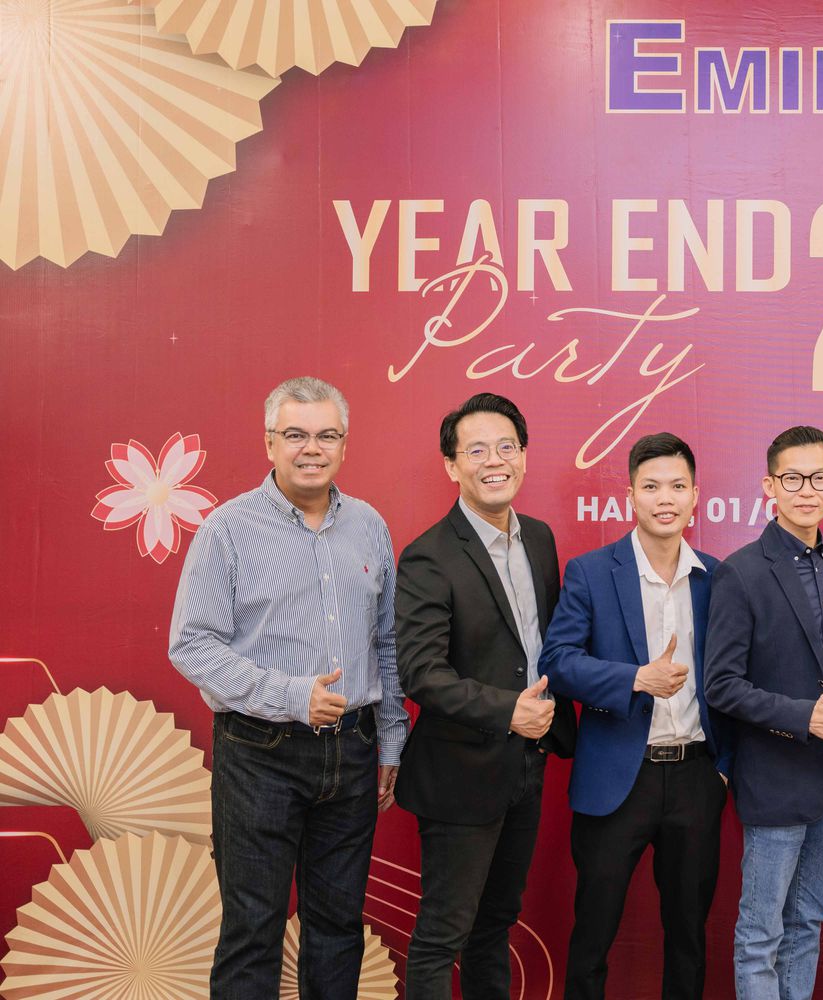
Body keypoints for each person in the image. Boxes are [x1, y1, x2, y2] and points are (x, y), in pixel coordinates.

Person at [168, 375, 407, 999]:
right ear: (269, 442)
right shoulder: (227, 529)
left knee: (338, 929)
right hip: (259, 752)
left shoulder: (369, 526)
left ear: (345, 444)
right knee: (252, 931)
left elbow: (386, 643)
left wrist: (390, 740)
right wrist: (291, 695)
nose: (312, 449)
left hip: (353, 751)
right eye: (295, 434)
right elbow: (192, 644)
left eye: (327, 435)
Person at [393, 392, 577, 1000]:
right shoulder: (429, 555)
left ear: (524, 455)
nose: (494, 461)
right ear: (452, 465)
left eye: (506, 447)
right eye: (476, 451)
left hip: (527, 765)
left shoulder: (540, 540)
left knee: (496, 925)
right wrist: (508, 711)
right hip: (460, 774)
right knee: (443, 934)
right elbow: (421, 672)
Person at [541, 432, 731, 1000]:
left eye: (677, 486)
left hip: (696, 776)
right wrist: (634, 679)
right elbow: (558, 662)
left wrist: (724, 768)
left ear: (695, 496)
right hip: (617, 779)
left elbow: (736, 676)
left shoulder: (717, 577)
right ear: (630, 496)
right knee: (593, 934)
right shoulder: (592, 571)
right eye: (651, 487)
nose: (664, 499)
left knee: (689, 936)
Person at [703, 425, 823, 1000]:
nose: (806, 490)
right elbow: (720, 685)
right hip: (772, 774)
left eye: (819, 478)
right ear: (769, 486)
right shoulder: (740, 570)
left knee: (807, 923)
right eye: (792, 478)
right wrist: (802, 716)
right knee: (760, 935)